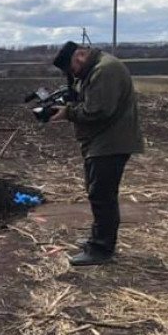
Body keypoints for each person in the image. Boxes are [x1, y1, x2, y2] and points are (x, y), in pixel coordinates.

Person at [49, 41, 144, 266]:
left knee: (102, 195)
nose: (73, 74)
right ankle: (98, 239)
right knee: (97, 193)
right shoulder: (98, 68)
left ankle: (101, 249)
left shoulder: (105, 69)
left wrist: (67, 113)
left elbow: (98, 110)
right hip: (103, 141)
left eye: (72, 69)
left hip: (111, 142)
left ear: (80, 55)